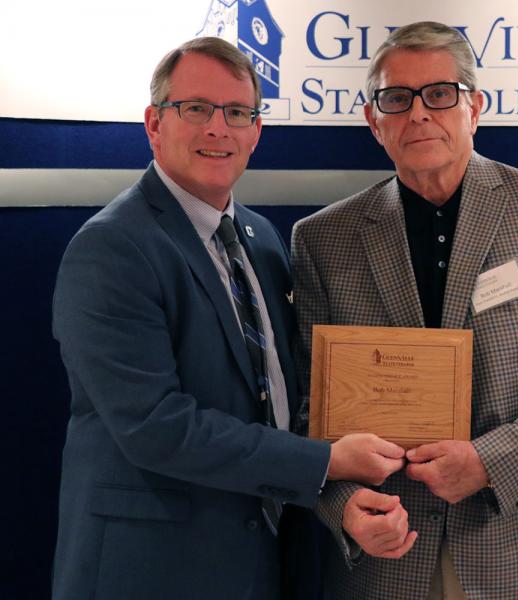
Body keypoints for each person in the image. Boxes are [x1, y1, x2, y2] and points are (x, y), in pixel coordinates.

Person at [51, 37, 409, 600]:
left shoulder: (260, 240)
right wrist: (327, 461)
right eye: (196, 108)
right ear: (154, 123)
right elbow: (156, 426)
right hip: (151, 570)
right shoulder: (113, 247)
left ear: (256, 131)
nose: (219, 128)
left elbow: (278, 401)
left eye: (238, 112)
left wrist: (334, 495)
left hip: (260, 562)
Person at [290, 20, 518, 600]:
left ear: (475, 106)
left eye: (440, 94)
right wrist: (345, 507)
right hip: (384, 563)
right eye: (397, 98)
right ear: (374, 121)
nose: (419, 113)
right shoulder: (323, 238)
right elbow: (307, 406)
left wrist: (489, 462)